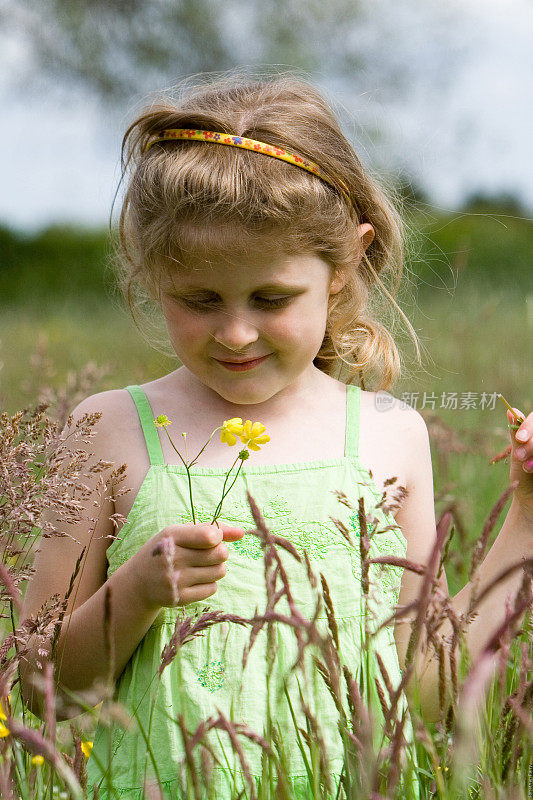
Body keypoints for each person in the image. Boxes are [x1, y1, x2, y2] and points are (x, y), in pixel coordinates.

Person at [20, 73, 533, 800]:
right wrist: (134, 593)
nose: (234, 333)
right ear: (149, 272)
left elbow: (422, 695)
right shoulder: (108, 431)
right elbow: (42, 690)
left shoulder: (388, 435)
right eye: (199, 300)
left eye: (271, 298)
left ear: (344, 264)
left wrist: (525, 511)